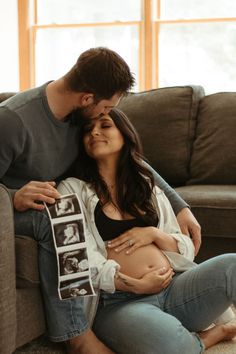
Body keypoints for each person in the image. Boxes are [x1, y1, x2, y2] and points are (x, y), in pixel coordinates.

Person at [0, 47, 200, 353]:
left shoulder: (78, 118)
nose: (104, 115)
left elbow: (128, 158)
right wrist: (13, 197)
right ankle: (77, 337)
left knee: (60, 209)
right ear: (86, 98)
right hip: (14, 212)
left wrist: (177, 203)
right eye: (105, 106)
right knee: (59, 212)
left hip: (47, 205)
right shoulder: (13, 121)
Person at [58, 108, 236, 354]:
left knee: (232, 265)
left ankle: (174, 329)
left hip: (175, 288)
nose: (95, 132)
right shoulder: (70, 189)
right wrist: (135, 286)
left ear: (125, 134)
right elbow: (74, 264)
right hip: (118, 304)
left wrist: (154, 234)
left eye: (105, 125)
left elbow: (185, 250)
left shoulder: (147, 187)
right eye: (88, 130)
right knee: (173, 346)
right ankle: (207, 338)